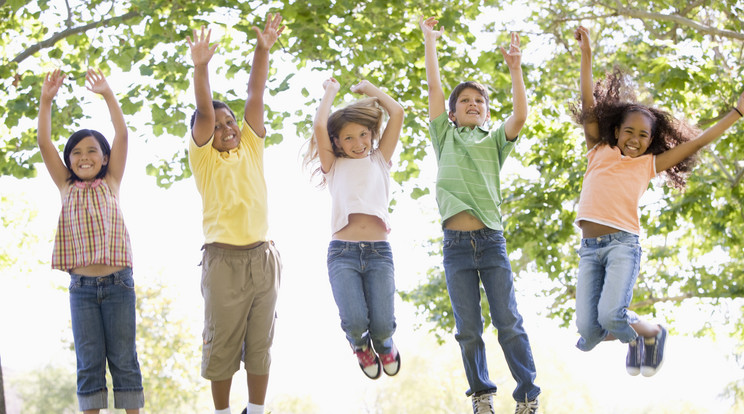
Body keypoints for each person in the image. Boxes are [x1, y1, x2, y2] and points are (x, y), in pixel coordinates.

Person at [572, 25, 744, 377]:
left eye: (643, 135)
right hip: (589, 248)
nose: (634, 140)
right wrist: (587, 55)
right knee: (589, 333)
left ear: (650, 141)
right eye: (629, 132)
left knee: (610, 316)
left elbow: (695, 144)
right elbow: (589, 103)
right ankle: (638, 336)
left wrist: (736, 114)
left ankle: (650, 331)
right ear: (616, 132)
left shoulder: (647, 165)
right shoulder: (599, 150)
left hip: (622, 245)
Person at [419, 16, 541, 414]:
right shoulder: (445, 136)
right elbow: (435, 88)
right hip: (455, 246)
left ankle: (527, 395)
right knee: (468, 329)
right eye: (465, 102)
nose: (473, 104)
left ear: (487, 112)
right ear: (452, 114)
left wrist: (515, 69)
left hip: (490, 241)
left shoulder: (494, 141)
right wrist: (429, 41)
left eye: (480, 101)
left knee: (509, 321)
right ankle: (482, 395)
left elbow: (520, 116)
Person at [186, 15, 284, 414]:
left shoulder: (251, 147)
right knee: (223, 341)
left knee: (261, 342)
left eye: (231, 122)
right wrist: (201, 67)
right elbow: (205, 112)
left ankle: (256, 410)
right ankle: (224, 412)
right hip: (223, 260)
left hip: (263, 258)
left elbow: (255, 94)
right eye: (219, 123)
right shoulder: (205, 159)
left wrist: (263, 49)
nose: (227, 126)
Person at [38, 68, 144, 414]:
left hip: (118, 285)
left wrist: (108, 94)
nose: (84, 157)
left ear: (105, 157)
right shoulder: (66, 187)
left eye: (92, 151)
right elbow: (44, 142)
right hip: (81, 288)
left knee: (124, 361)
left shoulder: (111, 181)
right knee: (89, 364)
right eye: (76, 153)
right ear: (69, 161)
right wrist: (46, 100)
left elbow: (122, 133)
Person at [303, 77, 404, 379]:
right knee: (356, 321)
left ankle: (384, 344)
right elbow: (320, 126)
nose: (358, 144)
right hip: (343, 255)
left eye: (363, 135)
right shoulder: (333, 165)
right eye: (348, 138)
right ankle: (359, 346)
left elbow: (397, 113)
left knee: (384, 324)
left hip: (378, 253)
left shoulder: (380, 159)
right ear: (336, 143)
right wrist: (330, 91)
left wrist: (371, 89)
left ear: (372, 135)